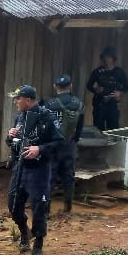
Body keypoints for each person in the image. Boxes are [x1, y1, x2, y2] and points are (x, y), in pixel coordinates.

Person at [6, 85, 64, 255]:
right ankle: (25, 232)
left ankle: (38, 244)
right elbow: (12, 143)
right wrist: (10, 136)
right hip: (20, 167)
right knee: (13, 205)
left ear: (29, 99)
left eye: (18, 99)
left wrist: (40, 149)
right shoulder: (20, 117)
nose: (16, 102)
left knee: (39, 207)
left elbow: (59, 142)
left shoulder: (47, 117)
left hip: (39, 169)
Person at [42, 74, 84, 213]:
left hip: (52, 146)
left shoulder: (48, 103)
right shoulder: (78, 104)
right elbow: (79, 127)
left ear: (55, 86)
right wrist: (74, 140)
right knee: (68, 176)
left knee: (49, 177)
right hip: (69, 145)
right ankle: (67, 207)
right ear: (70, 86)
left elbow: (43, 125)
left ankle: (46, 210)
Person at [87, 46, 128, 131]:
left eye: (109, 57)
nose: (106, 59)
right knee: (98, 129)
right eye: (105, 57)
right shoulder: (97, 71)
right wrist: (96, 89)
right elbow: (89, 85)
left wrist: (119, 93)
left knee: (113, 129)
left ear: (113, 58)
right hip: (99, 103)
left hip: (112, 104)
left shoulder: (119, 72)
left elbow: (127, 87)